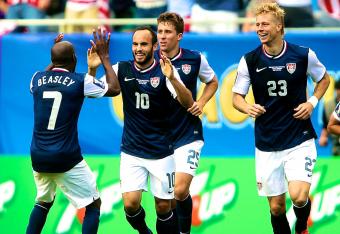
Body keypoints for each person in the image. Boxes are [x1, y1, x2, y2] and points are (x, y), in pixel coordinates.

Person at [232, 3, 330, 234]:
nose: (259, 29)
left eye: (265, 24)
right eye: (257, 25)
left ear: (279, 27)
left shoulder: (303, 54)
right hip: (267, 142)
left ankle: (302, 227)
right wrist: (247, 108)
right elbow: (236, 97)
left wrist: (311, 102)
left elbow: (323, 79)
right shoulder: (249, 60)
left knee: (298, 196)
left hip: (299, 137)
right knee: (276, 208)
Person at [26, 28, 120, 234]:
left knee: (43, 201)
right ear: (74, 59)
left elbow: (48, 76)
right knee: (93, 205)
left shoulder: (36, 79)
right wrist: (104, 57)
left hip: (38, 155)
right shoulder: (80, 81)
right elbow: (114, 89)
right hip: (65, 156)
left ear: (52, 60)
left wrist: (55, 55)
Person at [105, 26, 194, 234]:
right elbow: (98, 91)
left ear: (154, 46)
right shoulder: (121, 69)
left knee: (164, 207)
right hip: (131, 150)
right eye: (135, 44)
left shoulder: (165, 70)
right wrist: (94, 68)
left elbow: (188, 102)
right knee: (130, 204)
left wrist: (171, 77)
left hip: (162, 150)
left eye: (144, 44)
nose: (138, 49)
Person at [157, 12, 218, 234]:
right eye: (160, 31)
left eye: (168, 32)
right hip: (159, 137)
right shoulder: (149, 60)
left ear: (179, 35)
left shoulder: (194, 59)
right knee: (166, 200)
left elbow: (212, 81)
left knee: (180, 191)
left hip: (188, 133)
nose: (162, 37)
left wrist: (201, 102)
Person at [319, 79, 340, 156]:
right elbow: (327, 125)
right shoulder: (328, 105)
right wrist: (323, 136)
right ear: (336, 90)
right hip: (336, 144)